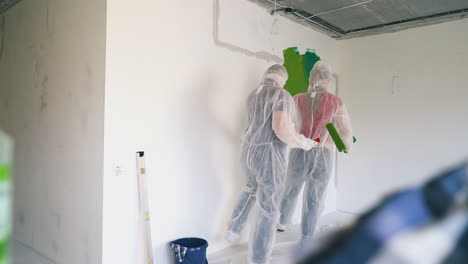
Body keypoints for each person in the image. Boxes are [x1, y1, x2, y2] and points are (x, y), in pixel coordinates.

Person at [226, 64, 318, 264]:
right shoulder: (281, 95)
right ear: (282, 79)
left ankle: (233, 229)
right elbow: (282, 129)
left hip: (248, 152)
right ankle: (259, 259)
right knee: (268, 208)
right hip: (268, 156)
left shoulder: (254, 94)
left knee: (250, 188)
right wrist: (304, 143)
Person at [277, 61, 353, 241]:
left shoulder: (297, 98)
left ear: (311, 78)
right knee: (315, 196)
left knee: (291, 187)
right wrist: (345, 146)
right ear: (328, 79)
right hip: (323, 153)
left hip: (300, 149)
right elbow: (345, 130)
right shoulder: (335, 102)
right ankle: (307, 235)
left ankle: (281, 222)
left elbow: (291, 124)